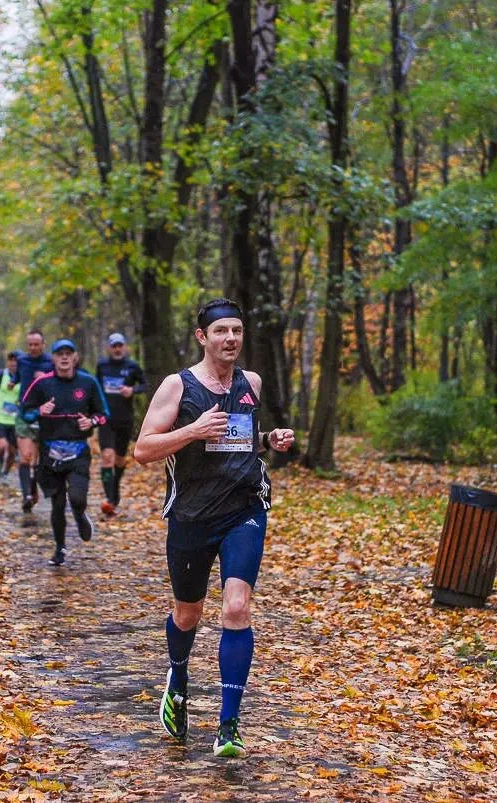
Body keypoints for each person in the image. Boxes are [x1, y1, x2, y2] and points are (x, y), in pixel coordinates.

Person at [134, 298, 295, 758]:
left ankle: (228, 725)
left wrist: (269, 440)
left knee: (237, 608)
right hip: (192, 515)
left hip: (244, 508)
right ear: (202, 337)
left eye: (237, 331)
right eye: (221, 331)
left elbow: (241, 438)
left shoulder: (251, 383)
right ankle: (178, 679)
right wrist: (192, 431)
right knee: (188, 614)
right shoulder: (177, 387)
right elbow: (144, 450)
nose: (230, 339)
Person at [19, 339, 110, 566]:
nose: (65, 357)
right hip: (49, 453)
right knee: (57, 505)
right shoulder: (42, 384)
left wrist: (91, 422)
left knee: (77, 498)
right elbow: (24, 411)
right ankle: (60, 548)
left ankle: (80, 516)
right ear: (53, 358)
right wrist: (39, 410)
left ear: (75, 357)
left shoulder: (88, 382)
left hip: (78, 451)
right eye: (60, 354)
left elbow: (104, 413)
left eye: (69, 353)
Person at [95, 332, 147, 517]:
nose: (117, 349)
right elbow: (96, 387)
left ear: (124, 347)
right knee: (107, 457)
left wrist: (132, 390)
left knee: (119, 459)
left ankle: (114, 491)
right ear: (109, 348)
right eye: (114, 346)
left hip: (125, 419)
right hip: (105, 419)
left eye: (120, 345)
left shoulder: (132, 366)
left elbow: (144, 385)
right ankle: (109, 498)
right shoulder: (102, 365)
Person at [15, 330, 54, 513]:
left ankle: (32, 486)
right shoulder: (21, 361)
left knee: (37, 459)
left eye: (36, 344)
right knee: (25, 456)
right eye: (30, 344)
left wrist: (44, 378)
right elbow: (17, 377)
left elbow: (58, 383)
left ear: (43, 344)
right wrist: (13, 383)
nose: (33, 347)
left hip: (45, 413)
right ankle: (26, 496)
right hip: (25, 412)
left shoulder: (50, 362)